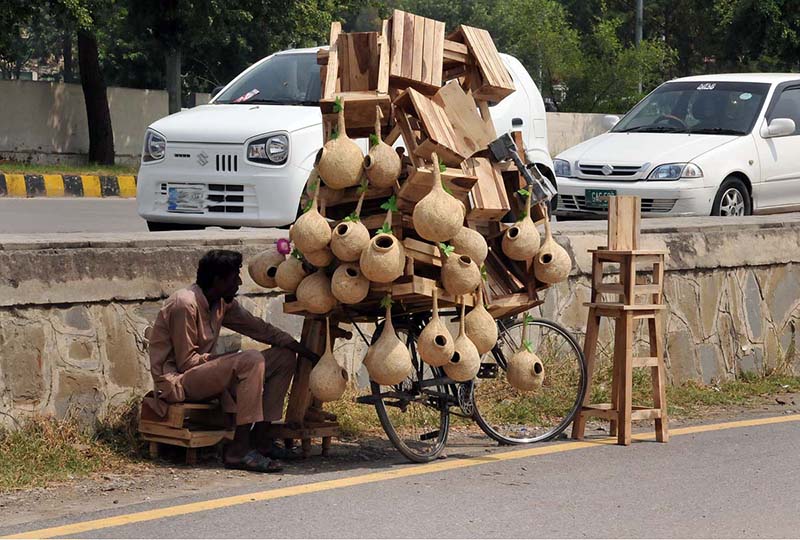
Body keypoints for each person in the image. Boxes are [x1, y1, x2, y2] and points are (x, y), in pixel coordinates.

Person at [146, 249, 320, 473]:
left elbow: (259, 328)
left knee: (283, 357)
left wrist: (303, 350)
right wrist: (232, 363)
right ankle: (238, 449)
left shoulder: (222, 302)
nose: (238, 283)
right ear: (218, 280)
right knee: (250, 360)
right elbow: (186, 362)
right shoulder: (184, 303)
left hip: (204, 373)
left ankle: (262, 439)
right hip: (178, 381)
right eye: (234, 277)